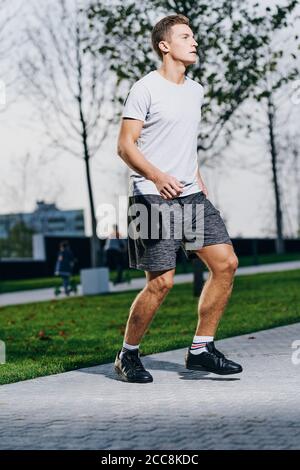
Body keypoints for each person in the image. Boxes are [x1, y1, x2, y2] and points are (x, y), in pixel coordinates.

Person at [114, 14, 242, 383]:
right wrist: (158, 176)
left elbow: (184, 143)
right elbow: (125, 145)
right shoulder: (145, 88)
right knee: (162, 282)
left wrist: (196, 178)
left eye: (194, 36)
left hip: (189, 194)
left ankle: (201, 350)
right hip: (149, 195)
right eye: (186, 36)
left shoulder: (196, 90)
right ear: (164, 45)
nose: (195, 42)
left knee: (225, 263)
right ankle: (128, 355)